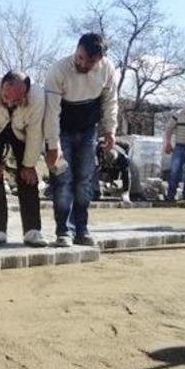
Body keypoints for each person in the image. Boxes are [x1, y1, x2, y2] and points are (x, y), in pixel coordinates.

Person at [44, 32, 119, 247]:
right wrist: (52, 144)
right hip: (61, 129)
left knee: (84, 180)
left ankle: (81, 229)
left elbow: (110, 101)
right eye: (80, 57)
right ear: (76, 50)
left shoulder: (107, 69)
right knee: (63, 179)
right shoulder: (58, 70)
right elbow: (51, 112)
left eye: (90, 61)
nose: (83, 63)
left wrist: (109, 130)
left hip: (88, 131)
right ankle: (63, 231)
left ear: (100, 59)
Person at [0, 71, 47, 247]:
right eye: (6, 97)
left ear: (26, 93)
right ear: (2, 86)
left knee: (28, 176)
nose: (9, 103)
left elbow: (36, 132)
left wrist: (29, 165)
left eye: (16, 100)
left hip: (23, 132)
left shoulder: (37, 96)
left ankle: (32, 231)